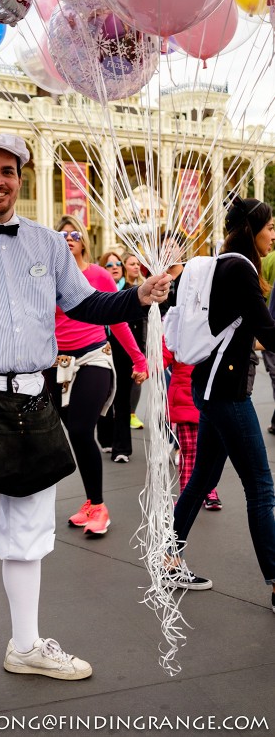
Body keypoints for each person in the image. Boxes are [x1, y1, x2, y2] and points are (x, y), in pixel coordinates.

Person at [0, 132, 171, 700]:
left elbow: (86, 305)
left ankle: (26, 645)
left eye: (8, 171)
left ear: (19, 178)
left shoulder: (48, 244)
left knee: (28, 534)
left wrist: (137, 294)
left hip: (36, 401)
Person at [169, 195, 275, 609]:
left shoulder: (221, 262)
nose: (273, 235)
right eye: (269, 227)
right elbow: (267, 330)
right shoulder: (241, 269)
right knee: (261, 487)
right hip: (225, 392)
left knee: (203, 479)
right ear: (252, 228)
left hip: (210, 386)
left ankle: (168, 555)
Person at [44, 216, 147, 536]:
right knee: (75, 435)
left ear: (84, 240)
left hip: (93, 358)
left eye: (74, 234)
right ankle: (91, 501)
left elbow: (116, 319)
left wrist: (138, 357)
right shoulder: (47, 277)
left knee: (80, 426)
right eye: (61, 235)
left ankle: (100, 507)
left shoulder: (98, 274)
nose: (68, 238)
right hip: (56, 364)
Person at [96, 251, 145, 463]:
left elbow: (138, 325)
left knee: (123, 399)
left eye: (118, 264)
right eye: (109, 265)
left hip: (124, 353)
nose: (115, 267)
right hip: (101, 351)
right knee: (103, 397)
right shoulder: (94, 292)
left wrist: (139, 356)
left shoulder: (130, 292)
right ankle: (106, 439)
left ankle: (122, 448)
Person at [162, 339, 222, 510]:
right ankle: (188, 495)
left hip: (209, 394)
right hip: (184, 396)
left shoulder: (213, 320)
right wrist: (145, 367)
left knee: (209, 450)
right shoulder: (177, 321)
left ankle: (209, 490)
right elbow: (164, 353)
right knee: (188, 449)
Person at [123, 251, 147, 430]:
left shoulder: (143, 287)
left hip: (139, 339)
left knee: (136, 378)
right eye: (132, 263)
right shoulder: (121, 289)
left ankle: (131, 413)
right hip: (123, 339)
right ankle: (121, 412)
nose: (136, 267)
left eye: (138, 264)